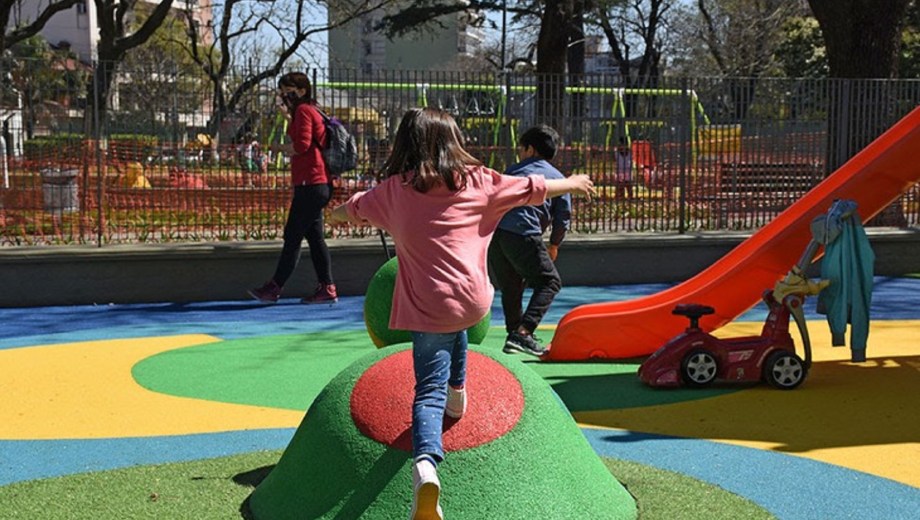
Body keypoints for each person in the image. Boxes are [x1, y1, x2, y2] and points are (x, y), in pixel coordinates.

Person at [329, 108, 595, 520]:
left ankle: (425, 466)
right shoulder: (481, 182)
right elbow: (533, 186)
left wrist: (335, 213)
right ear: (453, 141)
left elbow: (353, 208)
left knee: (426, 390)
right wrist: (573, 184)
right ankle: (459, 388)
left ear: (405, 145)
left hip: (426, 305)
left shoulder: (393, 192)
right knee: (456, 331)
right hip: (473, 301)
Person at [248, 72, 338, 304]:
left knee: (293, 235)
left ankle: (274, 287)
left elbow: (302, 145)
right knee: (315, 236)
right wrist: (288, 118)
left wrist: (278, 147)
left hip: (311, 183)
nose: (283, 95)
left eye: (287, 90)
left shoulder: (303, 111)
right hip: (316, 183)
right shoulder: (307, 111)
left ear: (301, 91)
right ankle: (327, 287)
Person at [489, 125, 571, 357]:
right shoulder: (557, 178)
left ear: (531, 149)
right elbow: (562, 216)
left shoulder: (511, 172)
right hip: (523, 233)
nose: (519, 154)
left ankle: (514, 333)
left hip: (496, 235)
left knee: (511, 285)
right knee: (549, 283)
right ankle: (523, 333)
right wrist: (554, 244)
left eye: (521, 149)